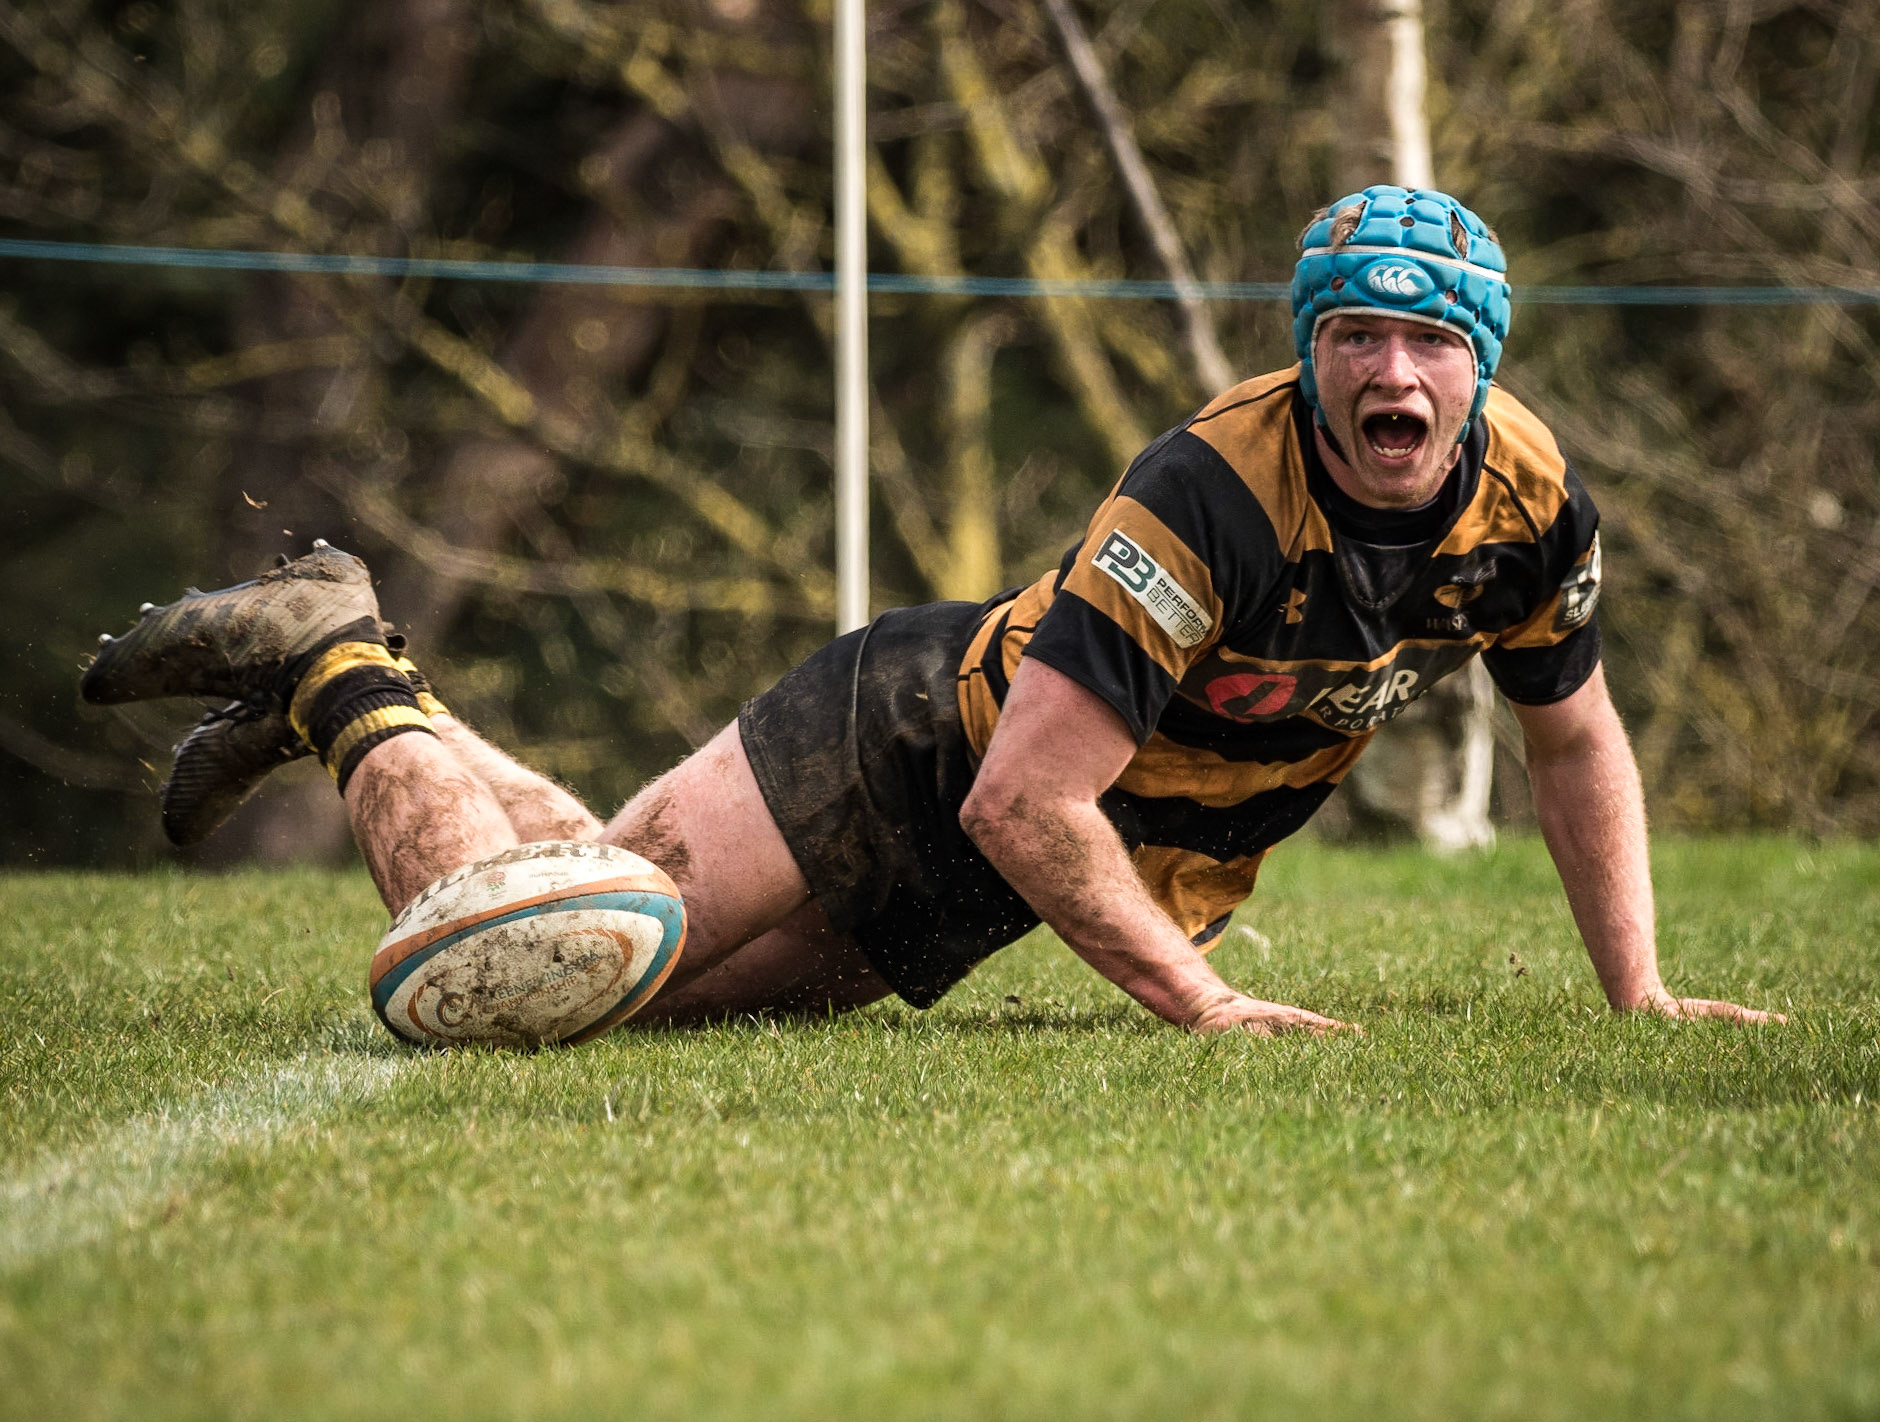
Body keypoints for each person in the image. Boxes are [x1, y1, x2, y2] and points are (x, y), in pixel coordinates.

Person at [81, 186, 1781, 1037]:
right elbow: (1027, 797)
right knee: (540, 971)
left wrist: (1635, 991)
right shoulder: (1210, 493)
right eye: (1355, 337)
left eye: (1430, 343)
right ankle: (337, 667)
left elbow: (1575, 741)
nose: (1392, 373)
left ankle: (355, 668)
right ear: (1310, 350)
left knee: (619, 953)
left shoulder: (1526, 501)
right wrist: (1204, 1010)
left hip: (1009, 868)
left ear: (1482, 364)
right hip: (909, 741)